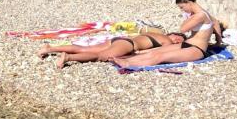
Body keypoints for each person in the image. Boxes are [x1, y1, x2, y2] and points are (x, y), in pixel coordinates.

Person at [115, 0, 225, 67]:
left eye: (182, 7)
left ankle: (129, 64)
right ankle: (126, 60)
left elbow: (183, 29)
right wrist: (219, 41)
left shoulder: (200, 15)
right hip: (188, 44)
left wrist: (187, 17)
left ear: (188, 2)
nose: (182, 10)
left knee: (160, 57)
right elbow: (215, 22)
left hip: (196, 50)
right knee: (156, 51)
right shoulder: (202, 13)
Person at [39, 32, 182, 69]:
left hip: (120, 39)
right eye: (179, 39)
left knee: (85, 48)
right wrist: (137, 55)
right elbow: (161, 53)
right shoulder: (167, 40)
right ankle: (68, 58)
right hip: (128, 44)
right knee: (99, 56)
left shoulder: (155, 34)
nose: (177, 42)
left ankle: (50, 48)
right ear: (174, 35)